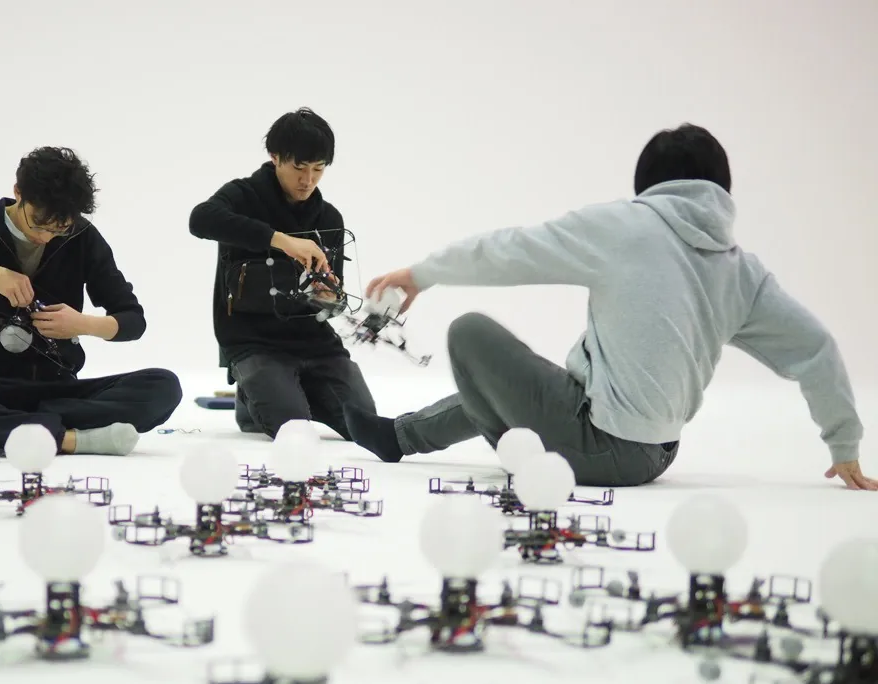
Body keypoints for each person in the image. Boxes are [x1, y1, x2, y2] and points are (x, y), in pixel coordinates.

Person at [349, 124, 874, 490]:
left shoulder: (625, 227)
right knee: (524, 378)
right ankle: (399, 437)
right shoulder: (742, 271)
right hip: (659, 453)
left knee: (470, 334)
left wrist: (421, 274)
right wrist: (844, 445)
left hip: (600, 448)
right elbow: (816, 348)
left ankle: (517, 454)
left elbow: (509, 250)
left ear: (648, 185)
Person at [0, 146, 182, 463]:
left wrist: (83, 324)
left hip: (59, 390)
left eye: (60, 228)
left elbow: (133, 320)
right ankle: (71, 439)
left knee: (163, 385)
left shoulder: (81, 237)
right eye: (39, 224)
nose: (46, 237)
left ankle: (17, 430)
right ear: (18, 193)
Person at [189, 107, 376, 439]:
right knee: (292, 428)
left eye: (319, 169)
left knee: (363, 423)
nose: (308, 180)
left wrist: (328, 296)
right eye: (299, 167)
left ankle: (288, 391)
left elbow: (332, 301)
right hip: (253, 341)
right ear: (275, 157)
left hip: (314, 343)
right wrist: (282, 241)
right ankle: (256, 396)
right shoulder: (242, 196)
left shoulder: (329, 218)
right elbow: (200, 219)